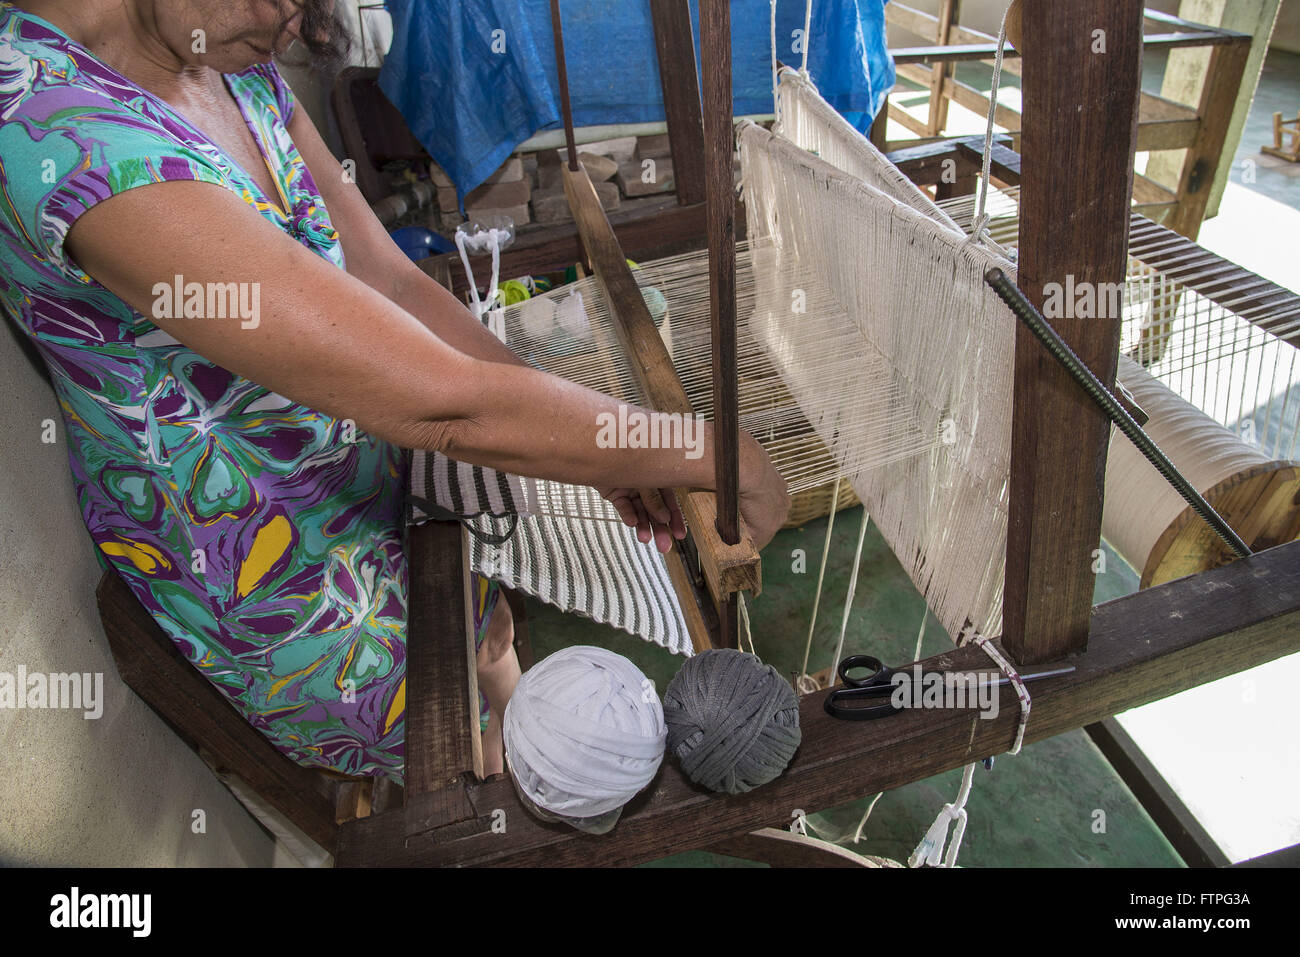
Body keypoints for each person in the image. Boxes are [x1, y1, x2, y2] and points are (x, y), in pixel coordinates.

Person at [0, 1, 790, 782]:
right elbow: (440, 403)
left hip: (370, 479)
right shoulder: (54, 131)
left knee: (491, 635)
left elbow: (392, 284)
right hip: (286, 585)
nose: (291, 27)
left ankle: (510, 737)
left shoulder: (225, 61)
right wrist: (704, 451)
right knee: (481, 777)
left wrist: (609, 452)